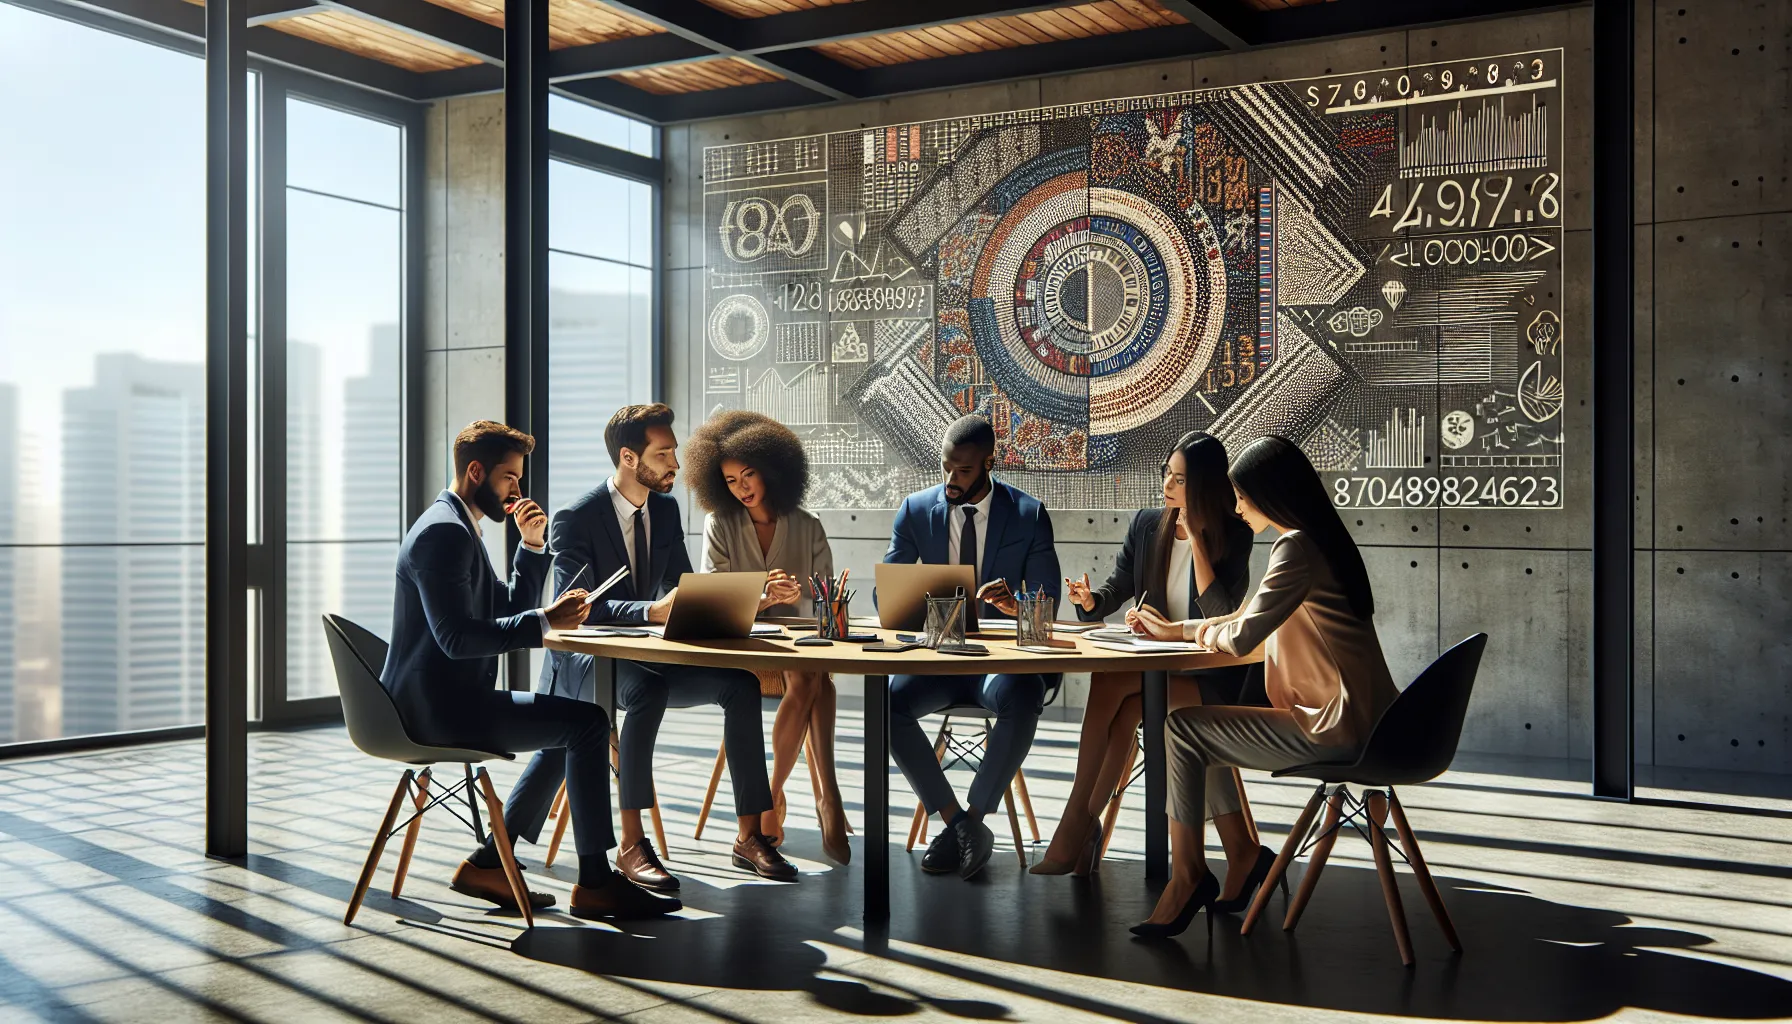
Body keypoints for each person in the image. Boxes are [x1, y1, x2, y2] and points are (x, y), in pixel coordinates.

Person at [380, 420, 678, 920]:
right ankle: (596, 882)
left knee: (578, 723)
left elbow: (503, 605)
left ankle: (491, 862)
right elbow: (456, 639)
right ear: (475, 472)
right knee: (585, 724)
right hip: (436, 713)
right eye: (509, 479)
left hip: (447, 702)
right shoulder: (443, 535)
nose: (518, 490)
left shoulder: (458, 526)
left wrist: (533, 546)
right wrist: (544, 620)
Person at [515, 404, 798, 893]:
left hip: (644, 654)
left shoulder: (665, 510)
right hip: (585, 663)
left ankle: (750, 836)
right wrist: (651, 611)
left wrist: (752, 598)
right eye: (663, 453)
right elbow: (578, 609)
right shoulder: (575, 518)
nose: (676, 464)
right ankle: (630, 843)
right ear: (629, 457)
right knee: (645, 691)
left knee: (741, 685)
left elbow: (682, 588)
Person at [1127, 435, 1399, 937]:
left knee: (1183, 728)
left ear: (1271, 495)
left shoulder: (1294, 546)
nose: (1235, 506)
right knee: (1197, 729)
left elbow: (1243, 633)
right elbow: (1246, 620)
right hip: (1377, 724)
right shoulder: (1320, 541)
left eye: (1243, 496)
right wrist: (1178, 630)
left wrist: (1197, 631)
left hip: (1339, 728)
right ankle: (1238, 858)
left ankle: (1187, 875)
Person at [1030, 431, 1257, 876]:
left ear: (1205, 486)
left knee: (1112, 682)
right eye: (1166, 475)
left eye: (1179, 479)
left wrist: (1195, 540)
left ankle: (1077, 820)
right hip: (1155, 662)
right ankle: (1085, 822)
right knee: (1125, 707)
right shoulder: (1147, 524)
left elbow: (1221, 613)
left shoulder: (1235, 534)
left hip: (1206, 670)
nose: (1167, 487)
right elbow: (1120, 588)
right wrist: (1092, 601)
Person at [883, 415, 1061, 881]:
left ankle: (974, 820)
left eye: (962, 471)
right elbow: (888, 597)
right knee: (885, 705)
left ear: (989, 463)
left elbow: (1048, 602)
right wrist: (921, 602)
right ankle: (956, 824)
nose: (950, 480)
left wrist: (1017, 603)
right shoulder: (915, 510)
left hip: (997, 665)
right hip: (938, 660)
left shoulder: (1028, 514)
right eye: (945, 468)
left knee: (1024, 695)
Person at [687, 410, 851, 865]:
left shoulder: (808, 524)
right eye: (731, 479)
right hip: (743, 647)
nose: (741, 487)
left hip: (799, 646)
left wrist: (811, 599)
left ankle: (772, 796)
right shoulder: (720, 526)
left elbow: (827, 605)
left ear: (772, 468)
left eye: (749, 474)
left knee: (810, 675)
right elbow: (714, 597)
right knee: (819, 681)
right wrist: (761, 595)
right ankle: (827, 800)